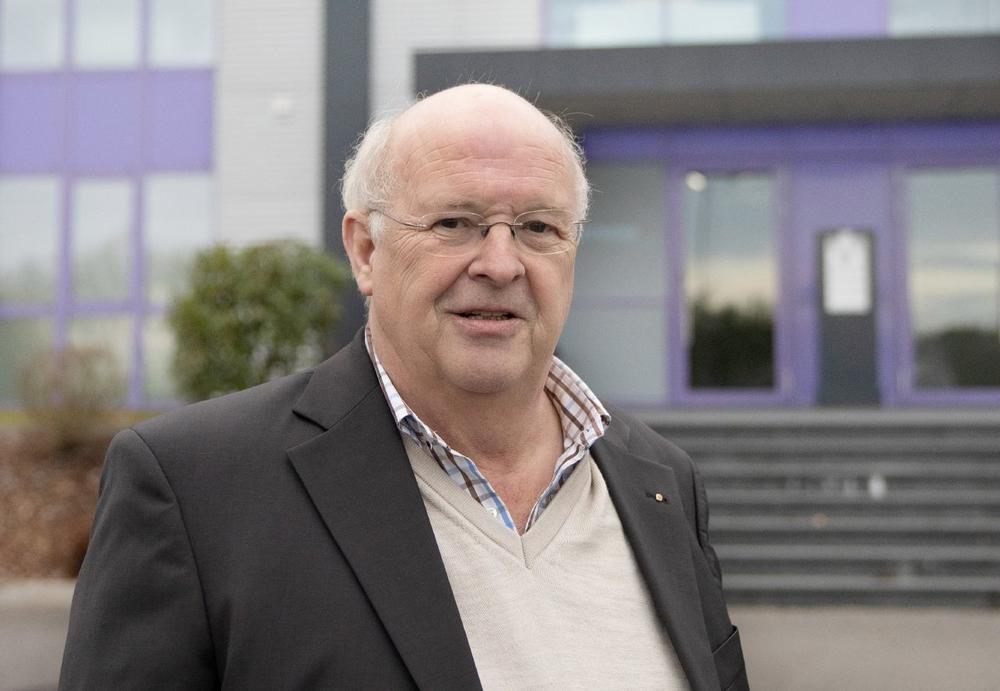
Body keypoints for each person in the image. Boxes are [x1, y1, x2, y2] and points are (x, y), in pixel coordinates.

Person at [60, 84, 748, 691]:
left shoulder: (658, 480)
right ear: (365, 251)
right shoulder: (195, 487)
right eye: (455, 223)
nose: (501, 263)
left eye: (538, 228)